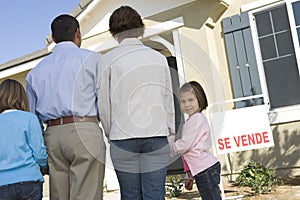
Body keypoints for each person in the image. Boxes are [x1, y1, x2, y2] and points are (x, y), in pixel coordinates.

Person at [98, 6, 175, 200]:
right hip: (157, 134)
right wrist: (170, 132)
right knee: (155, 194)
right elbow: (167, 100)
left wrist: (110, 132)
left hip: (122, 136)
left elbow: (104, 105)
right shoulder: (158, 58)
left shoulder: (106, 60)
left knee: (130, 196)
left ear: (113, 31)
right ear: (140, 27)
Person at [26, 14, 106, 200]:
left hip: (52, 134)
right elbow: (104, 101)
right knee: (87, 194)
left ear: (53, 38)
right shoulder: (94, 59)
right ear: (78, 33)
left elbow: (32, 116)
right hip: (85, 129)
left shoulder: (35, 72)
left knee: (59, 195)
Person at [169, 81, 222, 200]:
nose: (187, 104)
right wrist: (189, 175)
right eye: (183, 101)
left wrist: (170, 148)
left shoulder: (196, 119)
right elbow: (190, 152)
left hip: (205, 169)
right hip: (203, 168)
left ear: (199, 99)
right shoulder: (192, 120)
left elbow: (185, 145)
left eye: (191, 100)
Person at [0, 79, 48, 200]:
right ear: (22, 97)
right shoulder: (30, 118)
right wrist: (44, 166)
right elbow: (39, 153)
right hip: (29, 181)